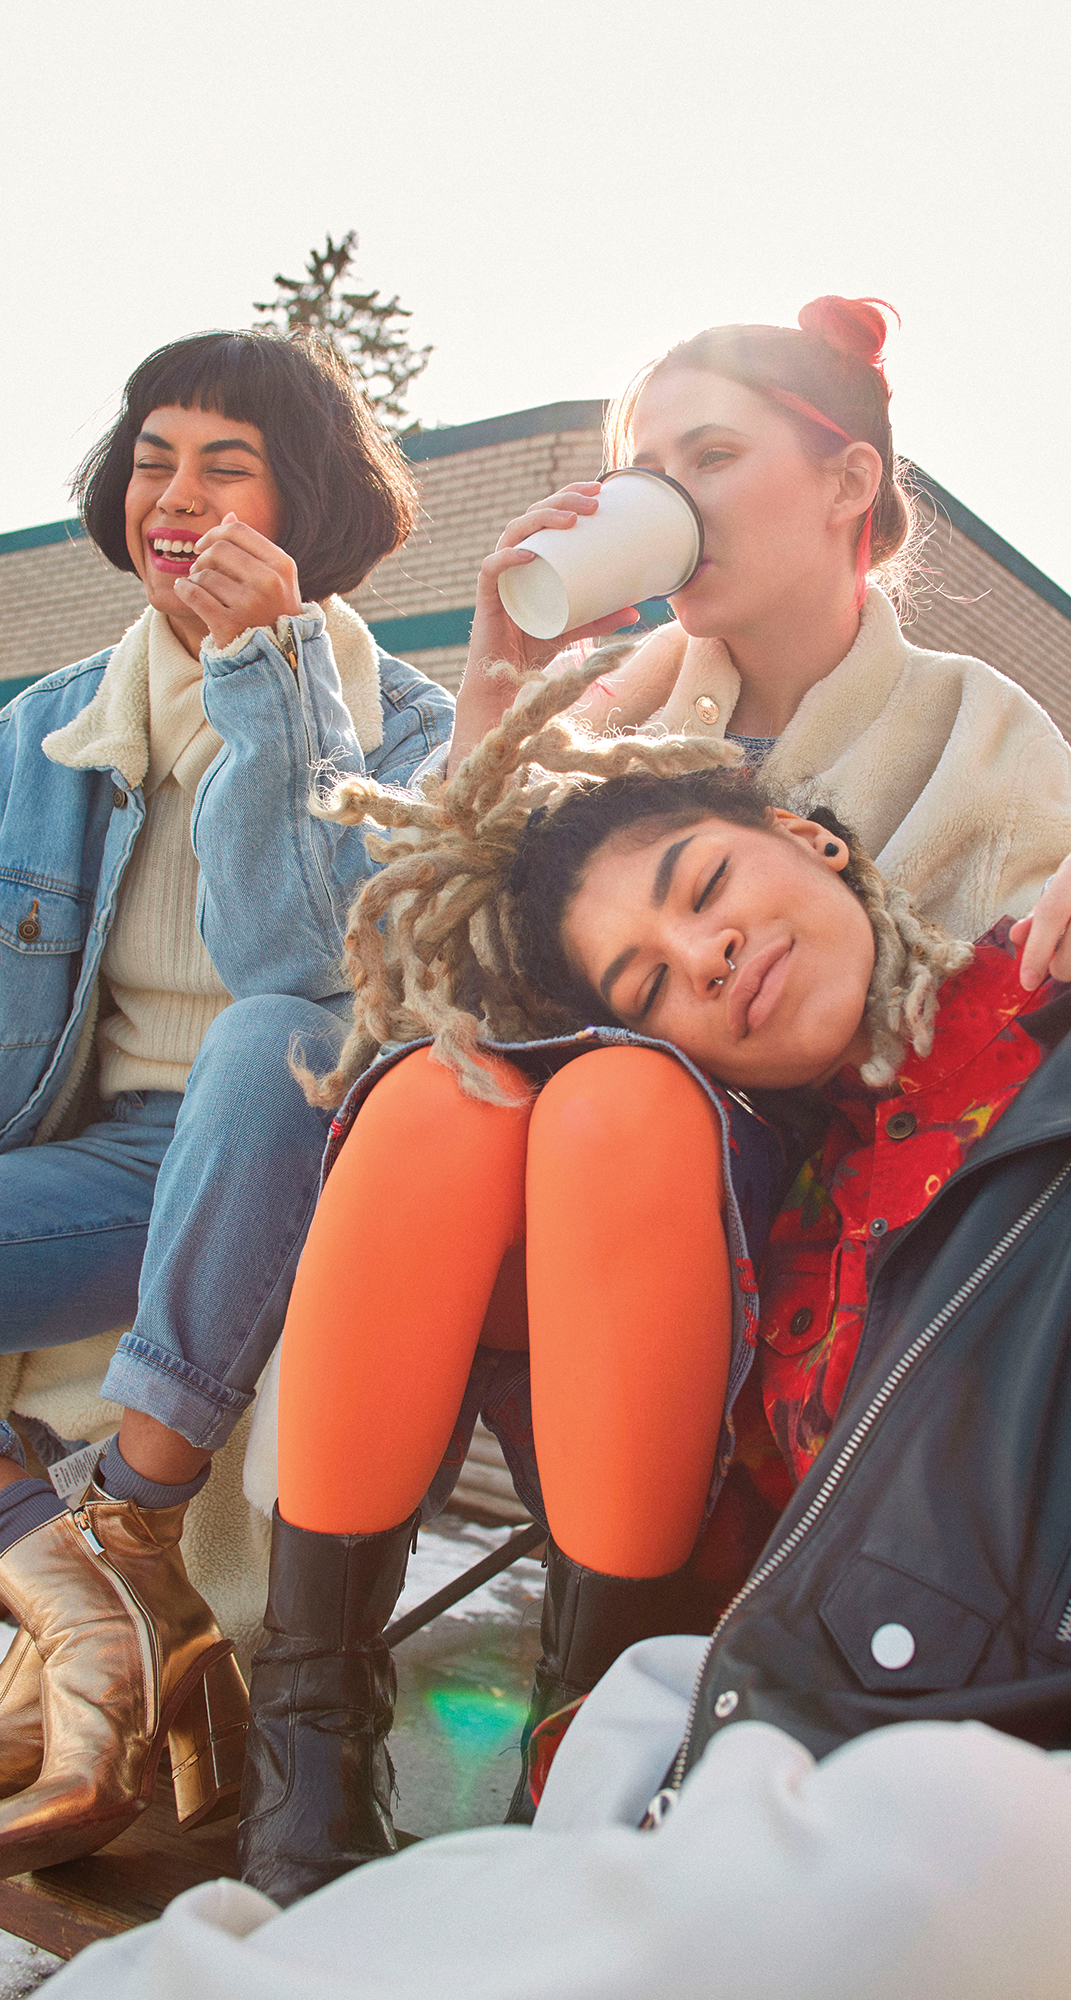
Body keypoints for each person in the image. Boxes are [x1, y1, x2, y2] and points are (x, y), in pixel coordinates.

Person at [235, 655, 1071, 1904]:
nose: (709, 951)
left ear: (808, 838)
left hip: (980, 1662)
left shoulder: (1044, 981)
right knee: (446, 1099)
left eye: (709, 885)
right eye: (653, 984)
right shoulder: (743, 1187)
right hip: (791, 1654)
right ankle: (311, 1744)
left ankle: (580, 1741)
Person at [0, 330, 454, 1875]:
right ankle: (75, 1588)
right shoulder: (43, 729)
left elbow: (301, 962)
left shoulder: (409, 736)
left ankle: (123, 1532)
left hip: (282, 1152)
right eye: (151, 460)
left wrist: (268, 682)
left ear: (303, 504)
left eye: (223, 464)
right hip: (95, 1157)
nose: (174, 499)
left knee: (274, 1028)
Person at [449, 295, 1071, 952]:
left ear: (849, 482)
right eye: (646, 474)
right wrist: (495, 692)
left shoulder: (984, 735)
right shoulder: (594, 721)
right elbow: (442, 954)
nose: (670, 499)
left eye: (712, 456)